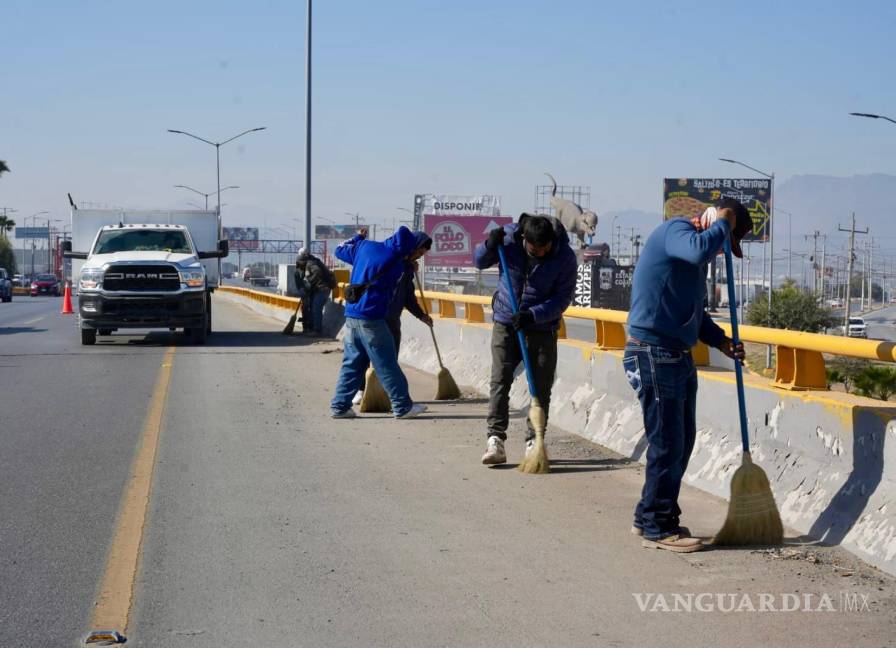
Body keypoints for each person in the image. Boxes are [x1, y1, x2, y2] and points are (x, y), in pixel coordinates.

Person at [624, 197, 752, 553]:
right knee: (667, 443)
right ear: (715, 222)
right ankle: (659, 526)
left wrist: (721, 342)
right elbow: (698, 250)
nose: (721, 251)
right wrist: (723, 223)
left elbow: (694, 313)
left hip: (676, 356)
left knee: (681, 443)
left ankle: (648, 514)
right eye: (726, 240)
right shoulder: (676, 232)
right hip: (652, 352)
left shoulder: (694, 258)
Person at [474, 214, 577, 465]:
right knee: (500, 380)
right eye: (534, 249)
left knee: (540, 386)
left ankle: (534, 440)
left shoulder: (565, 257)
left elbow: (562, 299)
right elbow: (479, 261)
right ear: (524, 240)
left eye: (545, 248)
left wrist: (532, 315)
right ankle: (495, 438)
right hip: (506, 322)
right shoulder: (507, 240)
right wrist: (489, 244)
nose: (540, 253)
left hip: (542, 327)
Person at [330, 226, 427, 420]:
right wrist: (409, 265)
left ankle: (340, 407)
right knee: (387, 363)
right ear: (406, 250)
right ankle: (402, 406)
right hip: (372, 319)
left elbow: (339, 250)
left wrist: (357, 237)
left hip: (351, 316)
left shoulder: (364, 247)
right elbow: (396, 277)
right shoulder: (397, 263)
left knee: (352, 363)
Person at [352, 232, 434, 405]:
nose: (419, 256)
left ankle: (383, 393)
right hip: (376, 315)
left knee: (390, 359)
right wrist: (407, 266)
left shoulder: (408, 269)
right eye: (418, 251)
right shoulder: (391, 260)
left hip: (392, 319)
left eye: (421, 254)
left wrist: (421, 315)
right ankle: (361, 389)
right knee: (366, 355)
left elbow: (408, 297)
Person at [295, 248, 337, 336]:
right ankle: (311, 328)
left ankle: (317, 330)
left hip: (322, 289)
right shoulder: (310, 262)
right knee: (312, 308)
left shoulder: (311, 263)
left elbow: (317, 272)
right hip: (319, 289)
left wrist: (310, 282)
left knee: (316, 308)